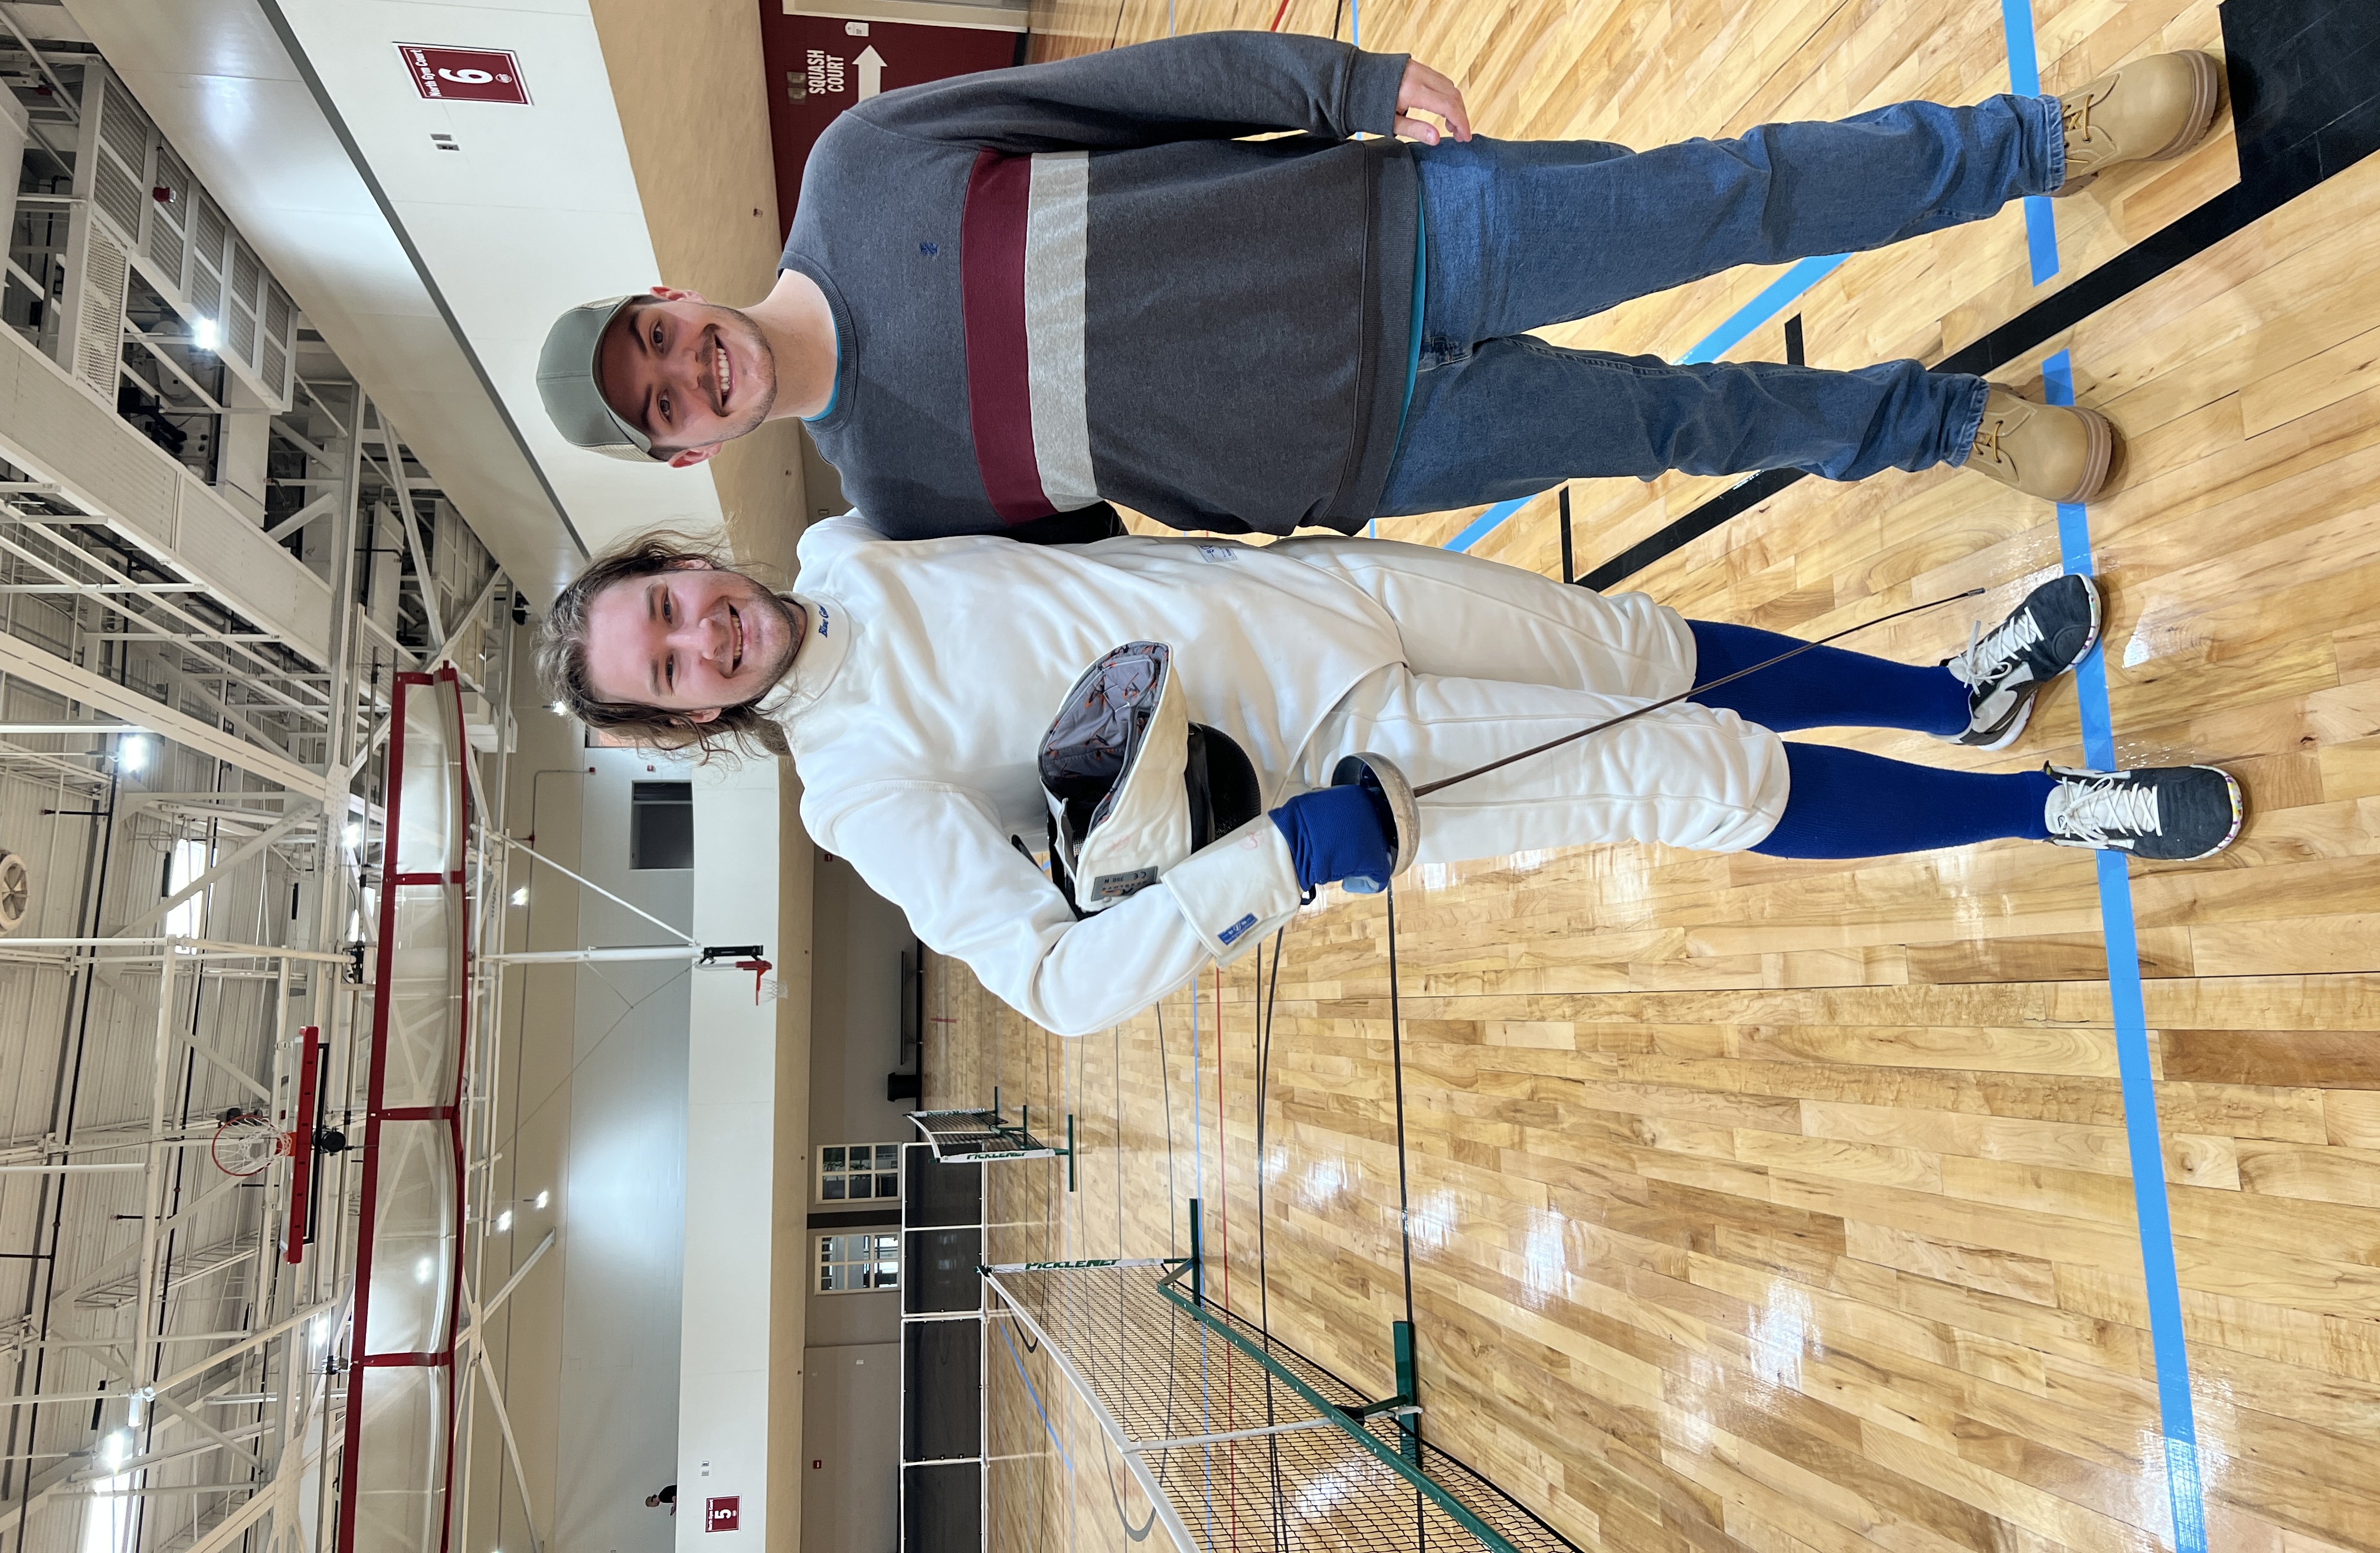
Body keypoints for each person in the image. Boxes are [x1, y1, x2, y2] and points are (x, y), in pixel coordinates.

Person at [533, 519, 2243, 1037]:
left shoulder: (847, 541)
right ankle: (2053, 811)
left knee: (1654, 647)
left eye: (668, 606)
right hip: (1355, 770)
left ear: (687, 561)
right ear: (686, 724)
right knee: (1702, 776)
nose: (700, 637)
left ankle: (1955, 700)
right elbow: (1055, 983)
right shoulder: (851, 792)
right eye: (667, 669)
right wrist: (1281, 859)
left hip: (1334, 595)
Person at [535, 35, 2223, 538]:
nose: (690, 367)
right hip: (1380, 455)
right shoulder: (901, 504)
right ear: (685, 452)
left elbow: (1131, 92)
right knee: (1685, 426)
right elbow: (1131, 590)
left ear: (669, 294)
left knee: (1733, 195)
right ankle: (1941, 427)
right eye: (664, 402)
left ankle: (2035, 144)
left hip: (1405, 229)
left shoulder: (862, 170)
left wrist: (1339, 83)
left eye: (657, 337)